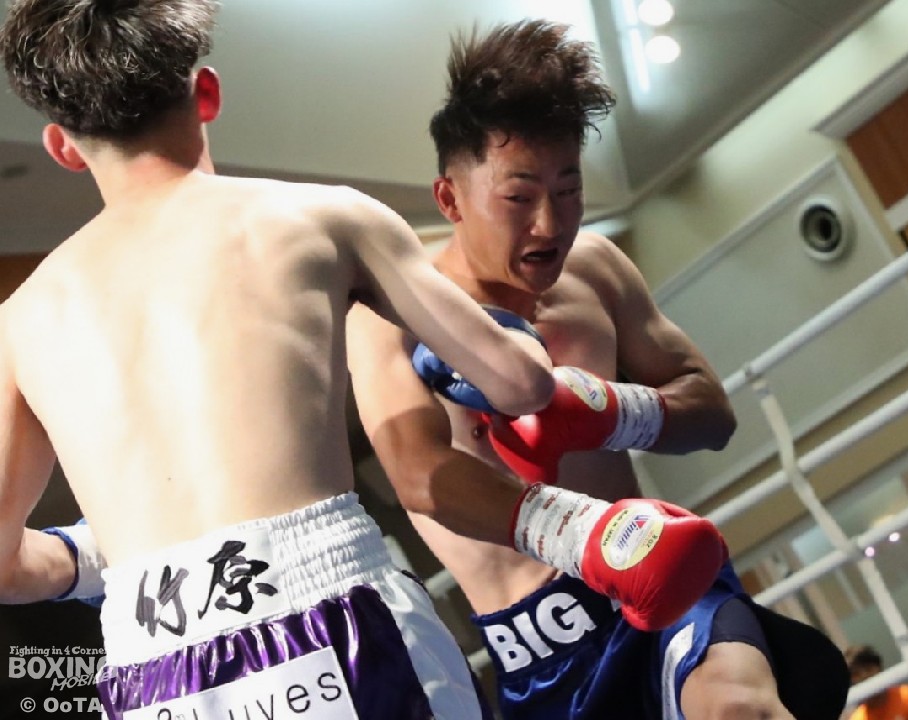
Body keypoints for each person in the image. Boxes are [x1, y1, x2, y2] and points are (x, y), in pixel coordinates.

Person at [0, 3, 729, 718]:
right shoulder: (320, 217)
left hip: (151, 671)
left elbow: (6, 568)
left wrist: (128, 554)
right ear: (208, 94)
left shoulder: (20, 320)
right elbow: (522, 383)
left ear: (62, 145)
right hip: (328, 611)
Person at [347, 18, 851, 720]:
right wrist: (585, 537)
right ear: (450, 199)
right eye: (519, 197)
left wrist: (610, 411)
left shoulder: (596, 269)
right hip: (543, 649)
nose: (550, 224)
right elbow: (418, 476)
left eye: (569, 190)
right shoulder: (393, 311)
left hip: (665, 582)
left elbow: (711, 410)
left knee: (741, 706)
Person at [845, 645, 908, 720]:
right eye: (856, 673)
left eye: (868, 669)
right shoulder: (857, 718)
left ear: (879, 668)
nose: (864, 676)